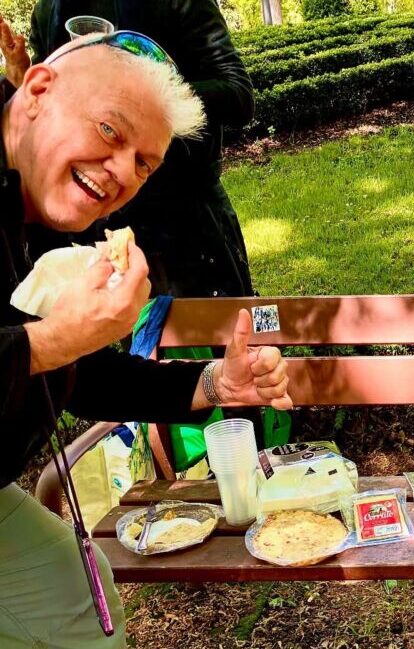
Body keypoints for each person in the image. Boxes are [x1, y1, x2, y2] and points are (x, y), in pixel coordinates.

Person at [0, 33, 291, 648]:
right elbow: (47, 349)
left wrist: (215, 382)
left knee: (81, 601)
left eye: (143, 163)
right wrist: (50, 341)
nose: (120, 173)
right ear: (39, 90)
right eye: (110, 131)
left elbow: (84, 375)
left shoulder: (47, 217)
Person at [3, 0, 255, 299]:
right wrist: (18, 79)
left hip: (179, 222)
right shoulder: (49, 10)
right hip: (84, 229)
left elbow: (238, 95)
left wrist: (141, 98)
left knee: (198, 336)